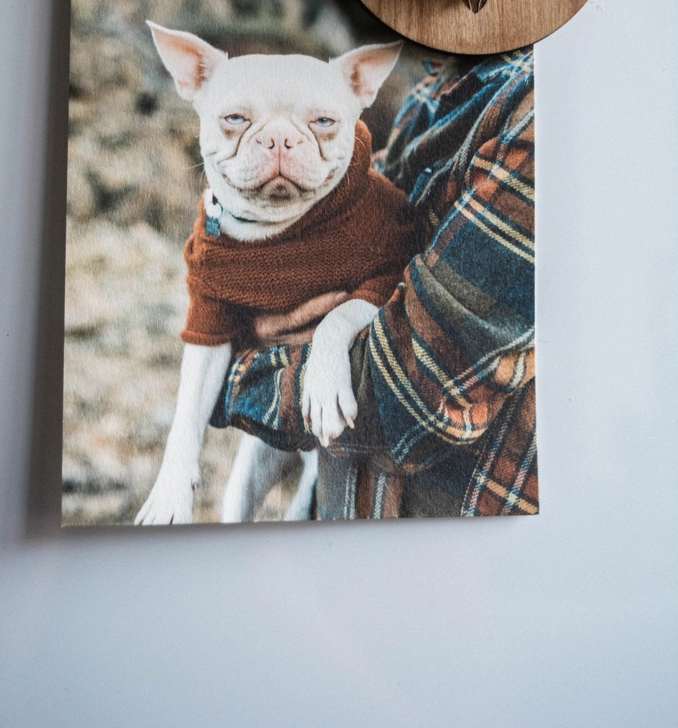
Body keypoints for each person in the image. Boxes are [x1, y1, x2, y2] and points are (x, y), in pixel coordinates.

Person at [210, 47, 537, 519]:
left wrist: (228, 372)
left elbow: (412, 388)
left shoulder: (531, 110)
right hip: (343, 510)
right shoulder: (432, 92)